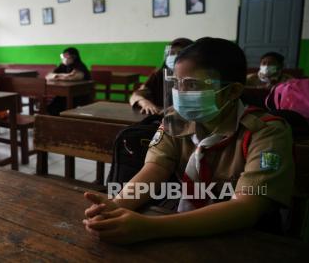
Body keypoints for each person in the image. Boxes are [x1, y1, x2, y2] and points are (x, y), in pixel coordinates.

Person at [83, 38, 294, 244]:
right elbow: (154, 169)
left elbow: (247, 207)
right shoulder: (176, 120)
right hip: (180, 225)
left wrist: (150, 228)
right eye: (176, 83)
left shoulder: (266, 132)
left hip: (243, 238)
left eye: (192, 84)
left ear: (232, 91)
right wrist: (116, 205)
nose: (181, 93)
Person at [130, 38, 193, 115]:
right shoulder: (159, 74)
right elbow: (137, 95)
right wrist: (144, 102)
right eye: (172, 53)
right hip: (161, 117)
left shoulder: (195, 77)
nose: (175, 57)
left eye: (180, 53)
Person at [45, 47, 91, 115]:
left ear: (74, 57)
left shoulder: (79, 65)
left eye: (66, 56)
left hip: (79, 94)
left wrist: (58, 76)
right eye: (63, 56)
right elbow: (48, 76)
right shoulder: (63, 65)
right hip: (64, 94)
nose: (63, 58)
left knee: (61, 107)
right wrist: (65, 75)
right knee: (52, 107)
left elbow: (74, 77)